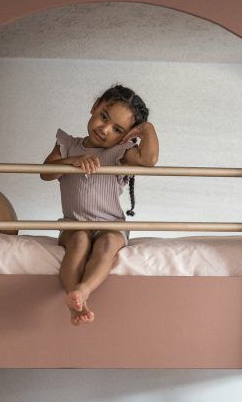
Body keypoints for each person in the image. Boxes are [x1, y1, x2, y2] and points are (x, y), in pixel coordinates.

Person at [40, 84, 160, 325]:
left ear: (126, 135)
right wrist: (73, 161)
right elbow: (46, 173)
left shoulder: (120, 152)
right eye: (103, 117)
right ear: (94, 107)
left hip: (110, 225)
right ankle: (75, 301)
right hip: (74, 224)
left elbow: (149, 160)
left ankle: (83, 290)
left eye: (117, 129)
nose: (104, 129)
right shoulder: (68, 144)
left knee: (107, 244)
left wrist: (147, 129)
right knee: (80, 241)